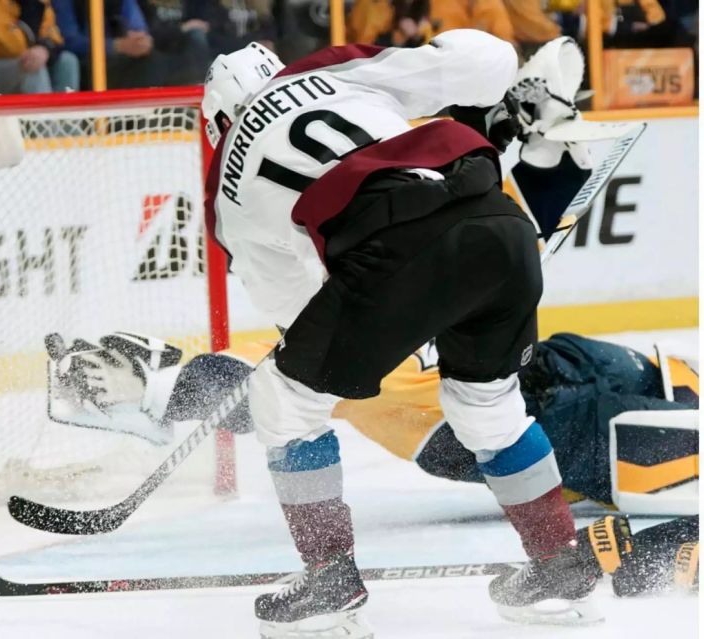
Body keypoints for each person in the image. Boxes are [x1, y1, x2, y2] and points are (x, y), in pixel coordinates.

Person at [192, 31, 609, 635]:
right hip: (499, 222)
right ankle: (558, 568)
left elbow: (296, 307)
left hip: (393, 250)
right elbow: (485, 59)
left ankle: (328, 580)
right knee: (488, 404)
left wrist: (394, 320)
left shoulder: (226, 185)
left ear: (218, 119)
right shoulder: (329, 72)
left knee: (285, 401)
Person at [48, 329, 700, 600]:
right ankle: (152, 387)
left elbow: (675, 558)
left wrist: (593, 559)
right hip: (512, 400)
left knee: (317, 381)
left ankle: (149, 387)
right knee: (315, 380)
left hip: (493, 420)